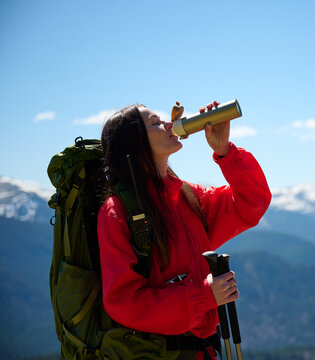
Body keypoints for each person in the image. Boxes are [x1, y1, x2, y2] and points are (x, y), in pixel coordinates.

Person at [97, 101, 272, 360]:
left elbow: (252, 203)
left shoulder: (186, 196)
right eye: (155, 122)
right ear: (135, 143)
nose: (169, 124)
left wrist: (225, 152)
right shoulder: (118, 212)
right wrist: (204, 295)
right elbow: (124, 302)